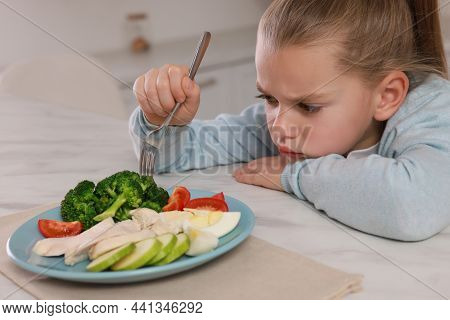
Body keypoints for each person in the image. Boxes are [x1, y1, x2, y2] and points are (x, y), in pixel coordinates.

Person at [129, 0, 450, 241]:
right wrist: (164, 121)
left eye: (308, 106)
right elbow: (171, 159)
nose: (279, 126)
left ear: (387, 95)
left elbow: (412, 206)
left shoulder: (432, 111)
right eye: (268, 98)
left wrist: (292, 174)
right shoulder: (285, 122)